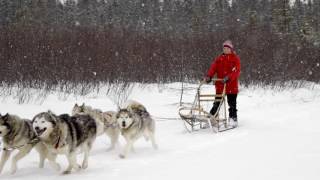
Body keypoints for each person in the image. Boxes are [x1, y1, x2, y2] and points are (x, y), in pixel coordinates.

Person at [203, 40, 241, 128]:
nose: (225, 50)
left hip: (231, 85)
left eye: (227, 48)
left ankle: (233, 119)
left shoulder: (235, 59)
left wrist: (229, 77)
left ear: (231, 49)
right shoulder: (219, 59)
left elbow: (236, 71)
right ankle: (212, 118)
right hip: (220, 85)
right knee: (217, 103)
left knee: (232, 104)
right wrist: (209, 76)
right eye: (224, 48)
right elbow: (213, 68)